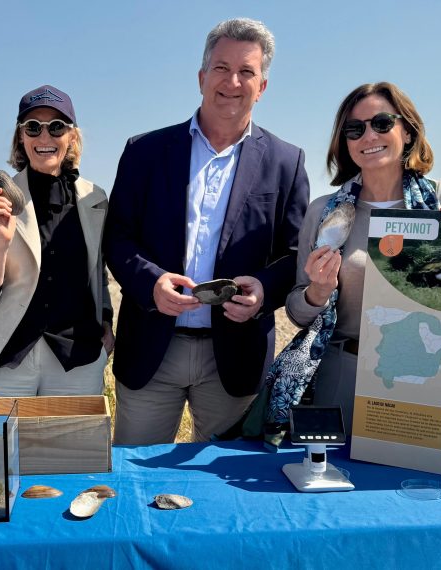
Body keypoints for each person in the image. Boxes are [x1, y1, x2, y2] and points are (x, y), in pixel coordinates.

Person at [103, 18, 310, 445]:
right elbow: (118, 237)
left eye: (246, 71)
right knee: (136, 474)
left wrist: (263, 291)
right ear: (201, 77)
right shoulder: (144, 151)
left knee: (219, 479)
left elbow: (295, 254)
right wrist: (151, 282)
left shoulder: (286, 162)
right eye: (221, 68)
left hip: (235, 357)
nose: (232, 82)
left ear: (262, 86)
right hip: (151, 350)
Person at [285, 81, 441, 434]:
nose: (369, 136)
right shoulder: (324, 213)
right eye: (354, 129)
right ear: (344, 141)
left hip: (431, 374)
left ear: (407, 131)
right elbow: (297, 313)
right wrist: (317, 292)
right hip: (342, 377)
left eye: (381, 123)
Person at [0, 86, 114, 412]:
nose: (45, 136)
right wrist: (1, 245)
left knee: (75, 445)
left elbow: (99, 273)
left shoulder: (95, 199)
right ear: (21, 137)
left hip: (77, 359)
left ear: (72, 136)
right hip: (8, 355)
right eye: (33, 127)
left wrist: (106, 325)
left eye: (57, 127)